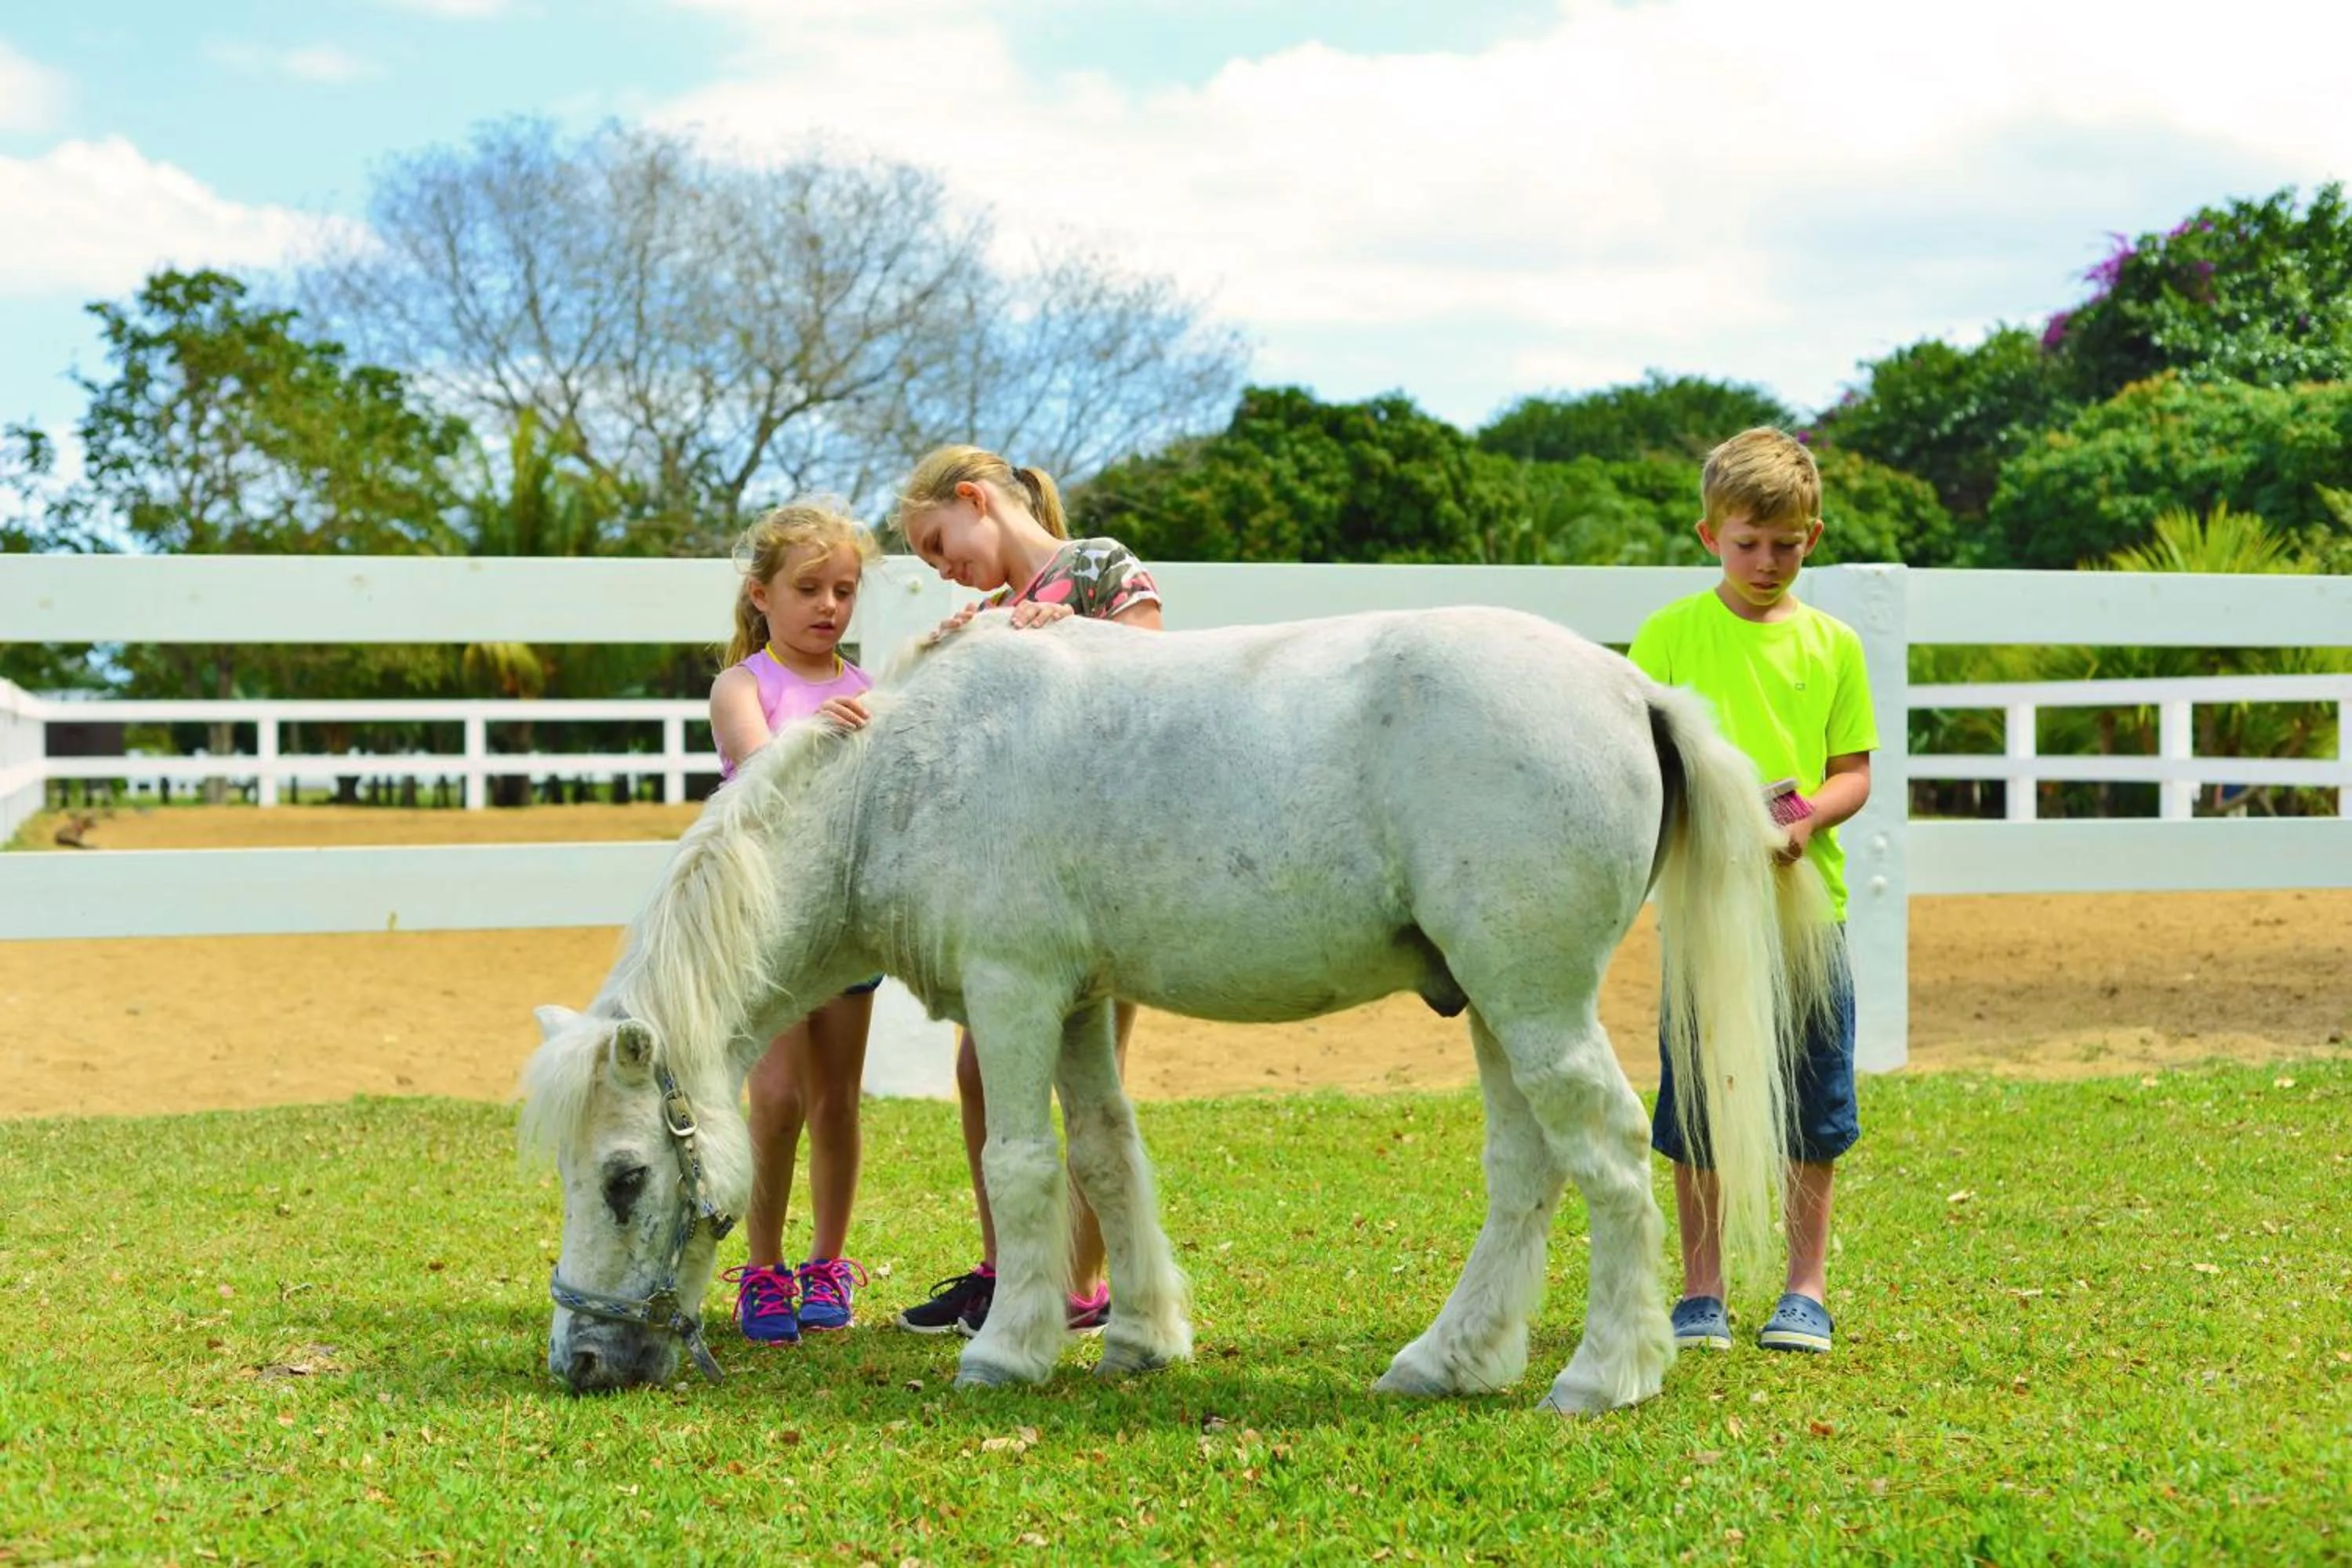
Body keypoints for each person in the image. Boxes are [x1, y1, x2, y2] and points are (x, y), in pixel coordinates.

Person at [886, 444, 1163, 1339]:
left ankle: (1081, 1279)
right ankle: (1010, 1265)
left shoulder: (1098, 568)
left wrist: (1075, 640)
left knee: (1091, 1079)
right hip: (1015, 891)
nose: (941, 566)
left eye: (938, 541)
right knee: (980, 1067)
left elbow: (1157, 681)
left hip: (1099, 877)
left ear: (974, 499)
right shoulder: (992, 614)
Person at [1626, 426, 1878, 1356]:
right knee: (1698, 1097)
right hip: (1705, 908)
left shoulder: (1834, 644)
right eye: (1747, 543)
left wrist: (1809, 817)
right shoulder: (1668, 636)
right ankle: (1702, 1290)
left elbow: (1853, 770)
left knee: (1813, 1097)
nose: (1767, 561)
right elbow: (1644, 765)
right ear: (1708, 537)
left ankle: (1804, 1286)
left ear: (1813, 535)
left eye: (1786, 542)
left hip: (1808, 911)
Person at [709, 500, 884, 1344]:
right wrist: (816, 729)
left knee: (837, 1099)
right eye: (809, 587)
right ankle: (764, 1267)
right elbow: (757, 765)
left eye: (844, 589)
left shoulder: (870, 691)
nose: (829, 606)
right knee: (774, 1098)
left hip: (845, 928)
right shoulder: (744, 684)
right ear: (761, 594)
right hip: (772, 923)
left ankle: (827, 1261)